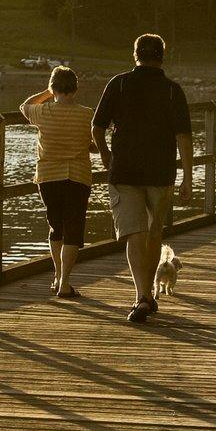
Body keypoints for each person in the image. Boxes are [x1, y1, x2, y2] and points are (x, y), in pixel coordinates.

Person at [92, 33, 193, 324]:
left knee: (134, 234)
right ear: (162, 56)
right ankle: (147, 295)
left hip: (124, 171)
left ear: (135, 55)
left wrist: (105, 154)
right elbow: (184, 137)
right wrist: (188, 177)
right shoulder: (173, 90)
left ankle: (142, 296)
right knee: (153, 233)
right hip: (160, 173)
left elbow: (97, 127)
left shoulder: (119, 84)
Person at [20, 65, 93, 299]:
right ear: (75, 88)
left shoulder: (43, 112)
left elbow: (24, 106)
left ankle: (57, 275)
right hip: (78, 176)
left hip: (48, 176)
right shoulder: (86, 114)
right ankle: (65, 282)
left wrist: (47, 92)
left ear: (54, 88)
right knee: (73, 228)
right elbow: (91, 144)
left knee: (56, 226)